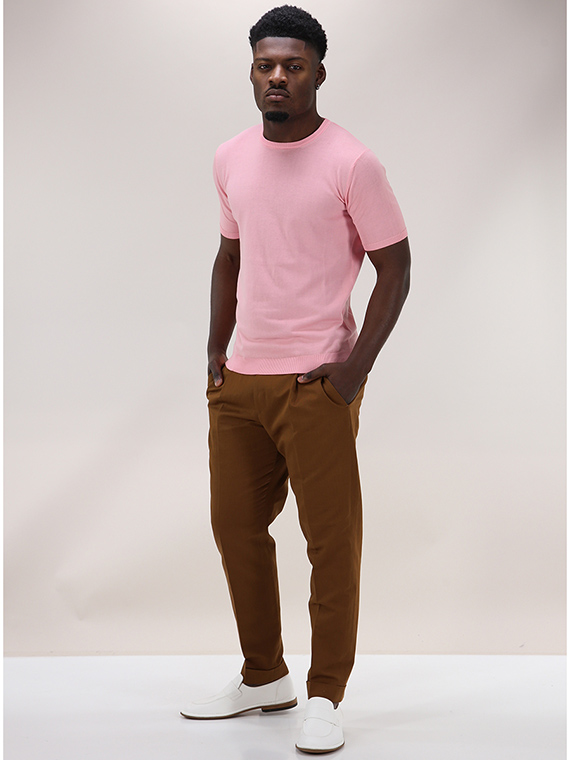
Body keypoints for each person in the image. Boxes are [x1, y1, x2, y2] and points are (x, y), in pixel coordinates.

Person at [181, 5, 410, 754]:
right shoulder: (230, 157)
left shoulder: (352, 162)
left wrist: (353, 370)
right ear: (252, 71)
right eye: (265, 65)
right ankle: (264, 676)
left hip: (316, 384)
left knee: (329, 542)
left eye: (293, 65)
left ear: (318, 73)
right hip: (240, 385)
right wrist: (214, 351)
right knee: (235, 528)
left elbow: (396, 267)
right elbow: (229, 256)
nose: (277, 76)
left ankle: (325, 693)